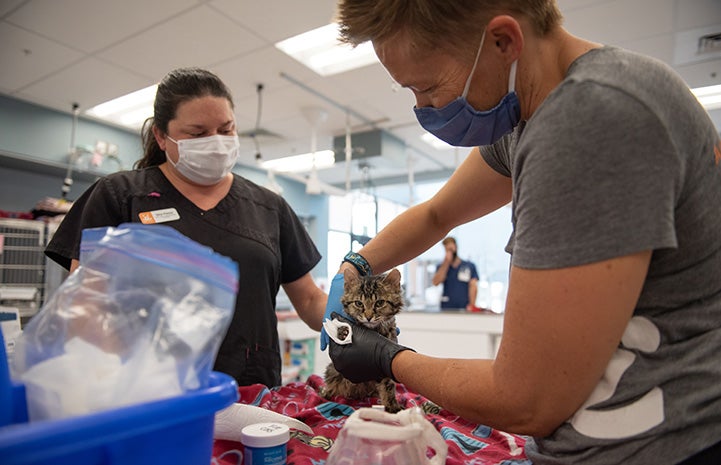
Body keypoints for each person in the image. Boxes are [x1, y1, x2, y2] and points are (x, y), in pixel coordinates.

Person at [321, 1, 721, 464]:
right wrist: (357, 264)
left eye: (427, 86)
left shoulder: (592, 119)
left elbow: (526, 399)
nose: (423, 107)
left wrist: (387, 357)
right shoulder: (529, 120)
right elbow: (436, 214)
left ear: (503, 41)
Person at [46, 67, 327, 388]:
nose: (216, 143)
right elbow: (86, 305)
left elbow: (308, 301)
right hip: (152, 392)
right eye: (198, 133)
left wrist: (353, 317)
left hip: (251, 391)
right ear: (161, 137)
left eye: (226, 129)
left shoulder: (269, 207)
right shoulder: (120, 196)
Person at [432, 236, 479, 311]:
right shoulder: (441, 266)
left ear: (456, 247)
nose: (450, 252)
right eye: (447, 250)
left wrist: (472, 305)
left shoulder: (469, 266)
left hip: (464, 307)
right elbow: (436, 282)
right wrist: (446, 262)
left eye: (451, 249)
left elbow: (473, 286)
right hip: (447, 307)